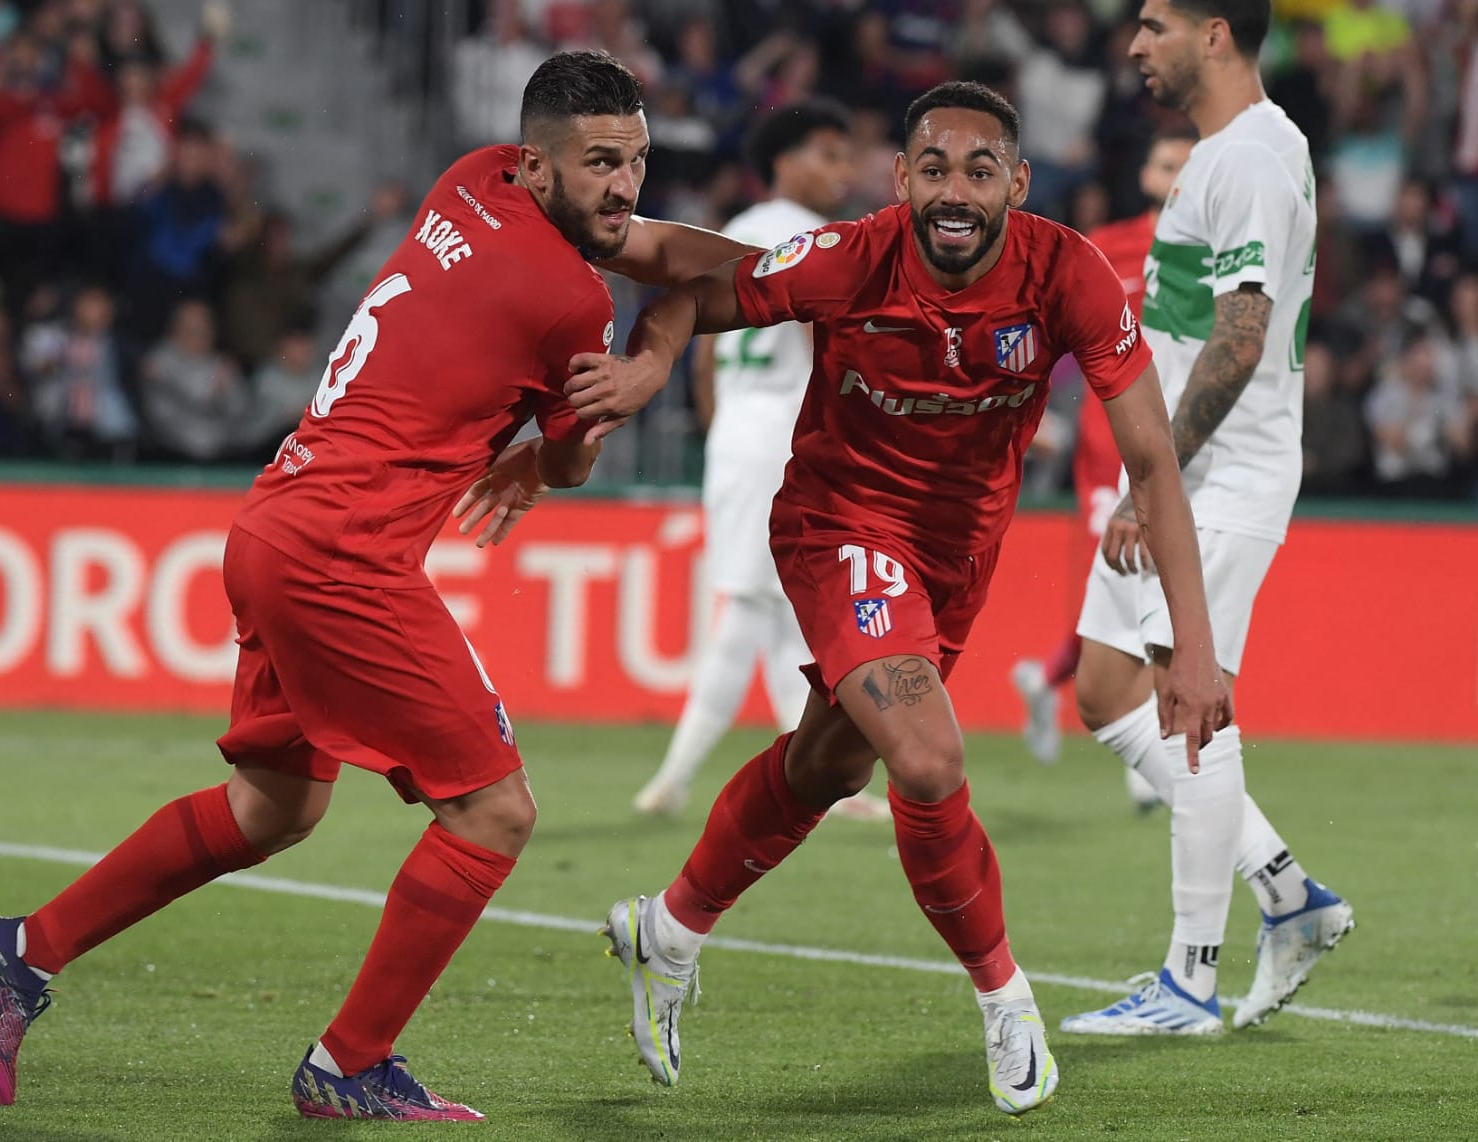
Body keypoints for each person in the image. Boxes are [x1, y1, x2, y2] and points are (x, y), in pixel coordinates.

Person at [0, 50, 754, 1123]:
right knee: (494, 811)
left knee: (270, 805)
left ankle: (21, 949)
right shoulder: (566, 299)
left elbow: (654, 247)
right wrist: (655, 355)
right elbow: (570, 453)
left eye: (638, 160)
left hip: (275, 519)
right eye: (601, 162)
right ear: (540, 164)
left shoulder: (472, 179)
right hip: (344, 554)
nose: (623, 185)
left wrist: (759, 268)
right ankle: (349, 1061)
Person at [565, 80, 1231, 1116]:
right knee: (925, 756)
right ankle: (1007, 998)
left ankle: (667, 930)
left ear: (1016, 180)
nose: (952, 191)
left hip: (956, 559)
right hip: (839, 528)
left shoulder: (1067, 272)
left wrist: (1191, 648)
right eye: (932, 169)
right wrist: (649, 361)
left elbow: (1151, 459)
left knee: (826, 762)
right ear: (901, 179)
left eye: (978, 170)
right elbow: (700, 286)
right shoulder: (850, 256)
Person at [1060, 0, 1355, 1037]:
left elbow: (1238, 338)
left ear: (1214, 32)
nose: (1135, 46)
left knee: (1189, 696)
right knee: (1105, 689)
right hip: (1186, 470)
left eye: (1152, 24)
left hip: (1220, 474)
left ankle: (1188, 979)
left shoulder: (1254, 160)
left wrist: (1157, 480)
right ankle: (1287, 893)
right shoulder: (1225, 152)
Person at [632, 99, 888, 824]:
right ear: (787, 162)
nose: (842, 172)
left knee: (780, 617)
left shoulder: (732, 234)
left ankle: (815, 781)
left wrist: (723, 434)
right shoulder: (816, 240)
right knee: (750, 608)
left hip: (739, 434)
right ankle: (673, 778)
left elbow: (706, 353)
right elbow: (825, 344)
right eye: (829, 155)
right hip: (785, 429)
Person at [1011, 127, 1195, 792]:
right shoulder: (1105, 250)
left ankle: (1051, 675)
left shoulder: (1212, 257)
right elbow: (1047, 334)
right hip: (1106, 440)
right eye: (1166, 163)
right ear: (1147, 174)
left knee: (1159, 577)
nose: (1175, 178)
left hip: (1184, 439)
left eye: (1187, 167)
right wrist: (1034, 414)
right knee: (1123, 570)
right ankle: (1141, 751)